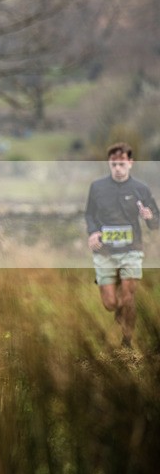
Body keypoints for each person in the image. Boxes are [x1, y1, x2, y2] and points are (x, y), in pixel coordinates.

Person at [85, 142, 158, 348]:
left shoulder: (141, 189)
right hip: (105, 251)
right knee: (110, 304)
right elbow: (89, 214)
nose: (118, 168)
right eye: (114, 164)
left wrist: (149, 216)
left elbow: (156, 222)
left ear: (130, 163)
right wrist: (93, 232)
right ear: (109, 163)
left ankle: (127, 342)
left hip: (131, 250)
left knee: (128, 297)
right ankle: (117, 306)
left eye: (122, 164)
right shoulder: (97, 187)